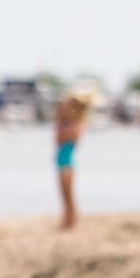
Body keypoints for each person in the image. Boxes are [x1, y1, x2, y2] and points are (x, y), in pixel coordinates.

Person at [53, 88, 96, 230]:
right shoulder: (69, 124)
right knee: (64, 195)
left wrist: (61, 120)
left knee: (68, 196)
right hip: (62, 162)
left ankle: (70, 221)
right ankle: (67, 220)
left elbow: (59, 138)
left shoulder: (75, 125)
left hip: (67, 164)